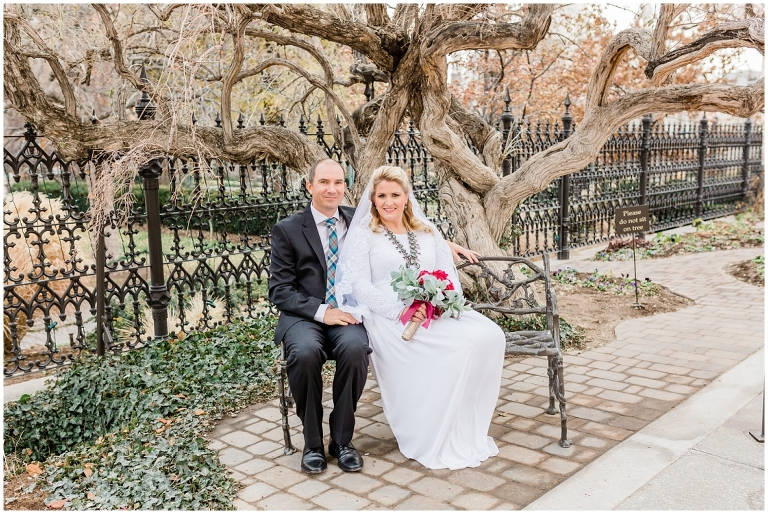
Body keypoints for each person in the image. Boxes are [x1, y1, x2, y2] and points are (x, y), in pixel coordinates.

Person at [269, 159, 478, 474]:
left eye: (338, 182)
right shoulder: (287, 229)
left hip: (351, 312)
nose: (332, 189)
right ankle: (312, 444)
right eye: (324, 182)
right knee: (305, 353)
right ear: (310, 186)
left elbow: (402, 226)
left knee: (355, 350)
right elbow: (280, 290)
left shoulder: (358, 219)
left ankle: (341, 441)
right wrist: (324, 312)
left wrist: (444, 243)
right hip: (307, 315)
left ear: (345, 186)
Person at [335, 165, 506, 470]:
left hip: (432, 308)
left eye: (395, 195)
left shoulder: (427, 230)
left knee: (491, 336)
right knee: (460, 347)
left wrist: (440, 301)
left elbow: (447, 273)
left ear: (406, 196)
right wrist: (399, 310)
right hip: (389, 314)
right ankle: (431, 429)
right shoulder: (364, 234)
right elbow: (359, 284)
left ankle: (464, 423)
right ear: (373, 199)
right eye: (382, 196)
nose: (389, 202)